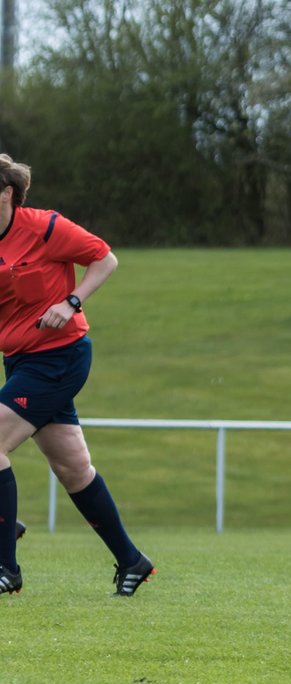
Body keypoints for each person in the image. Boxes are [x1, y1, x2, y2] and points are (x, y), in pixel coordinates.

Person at [0, 153, 154, 596]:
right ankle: (132, 560)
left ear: (7, 193)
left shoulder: (45, 227)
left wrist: (71, 302)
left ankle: (5, 566)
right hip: (20, 359)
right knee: (73, 467)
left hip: (60, 356)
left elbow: (105, 259)